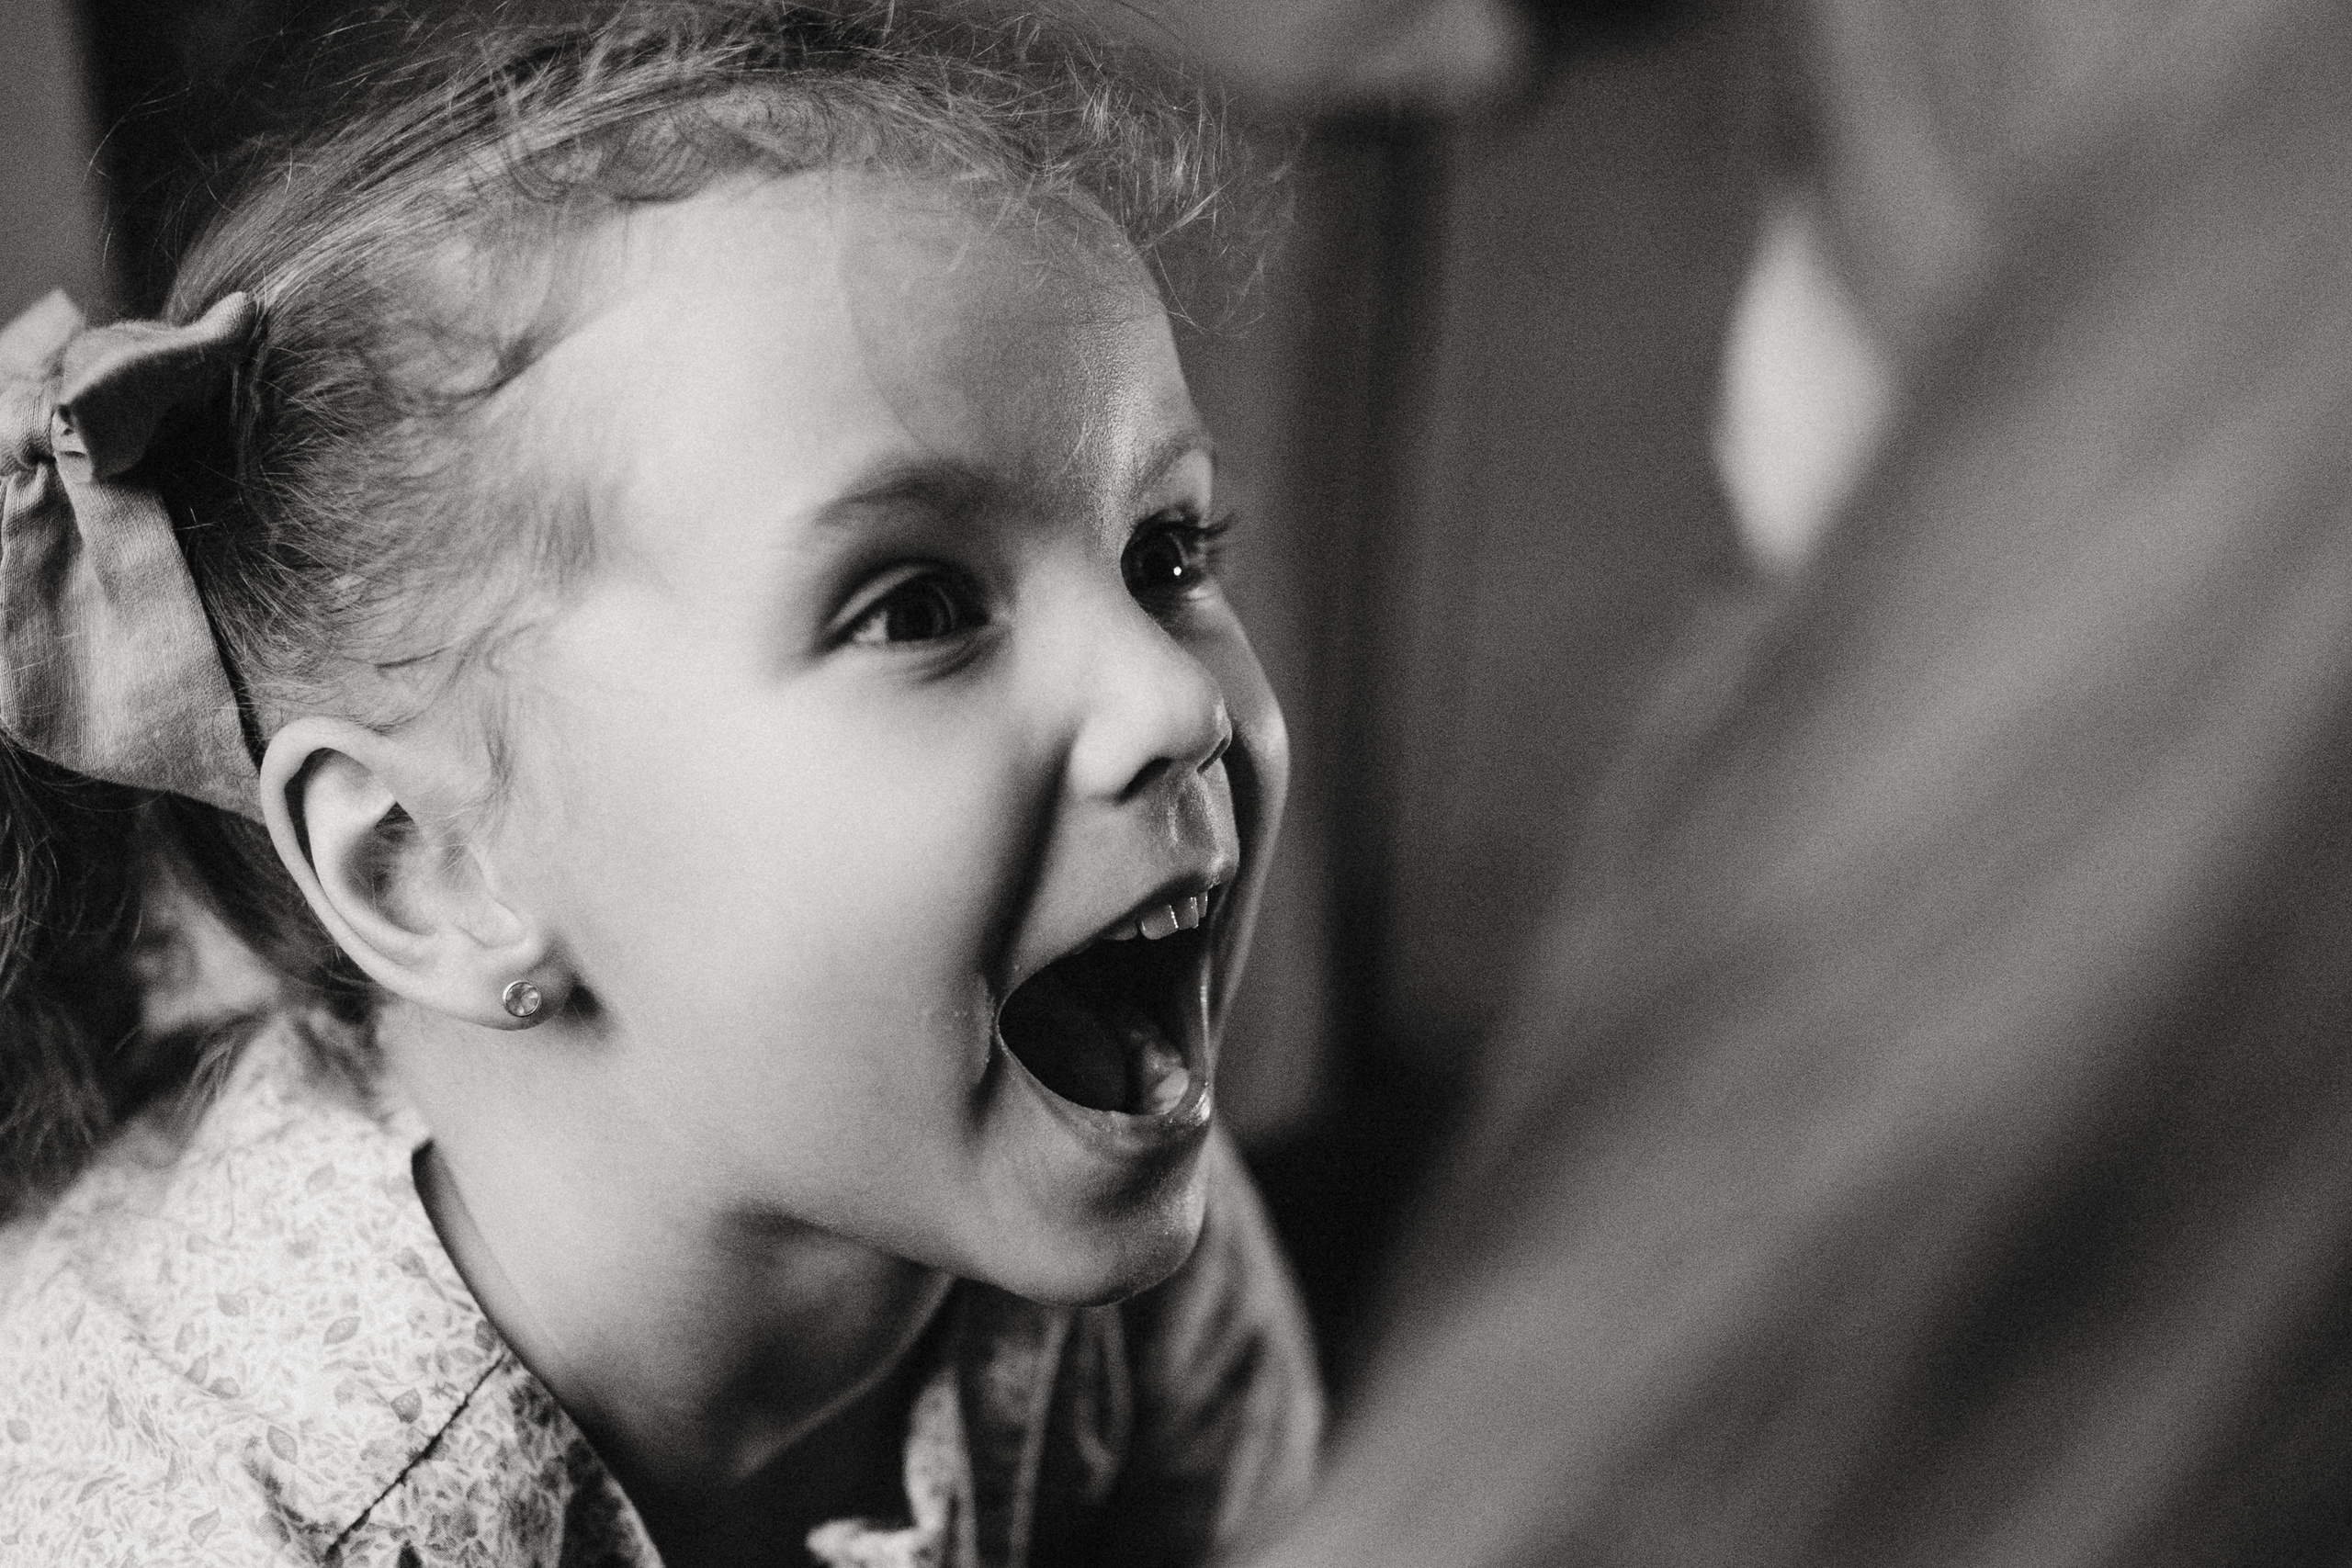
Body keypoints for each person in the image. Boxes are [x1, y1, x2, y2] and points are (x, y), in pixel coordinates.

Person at [0, 5, 1319, 1562]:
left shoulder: (1079, 1144)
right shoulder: (228, 1517)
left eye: (1165, 554)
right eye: (916, 609)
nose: (1177, 699)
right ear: (429, 865)